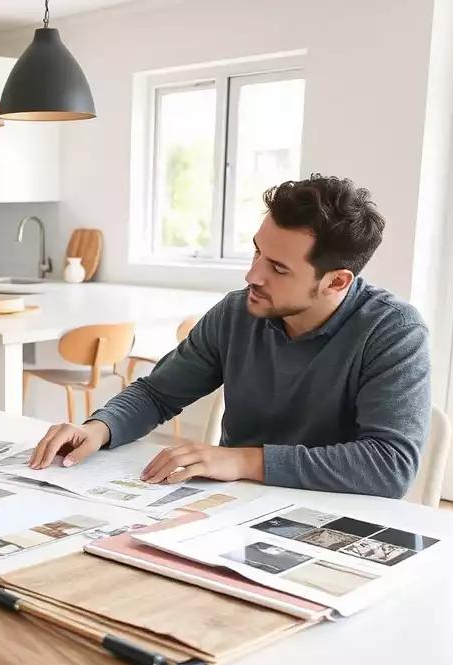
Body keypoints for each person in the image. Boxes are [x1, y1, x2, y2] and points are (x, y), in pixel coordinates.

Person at [28, 174, 431, 499]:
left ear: (337, 281)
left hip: (333, 519)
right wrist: (98, 429)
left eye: (278, 268)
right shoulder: (238, 312)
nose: (253, 276)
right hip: (233, 508)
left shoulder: (393, 331)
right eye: (257, 252)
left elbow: (389, 465)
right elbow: (158, 393)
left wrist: (242, 461)